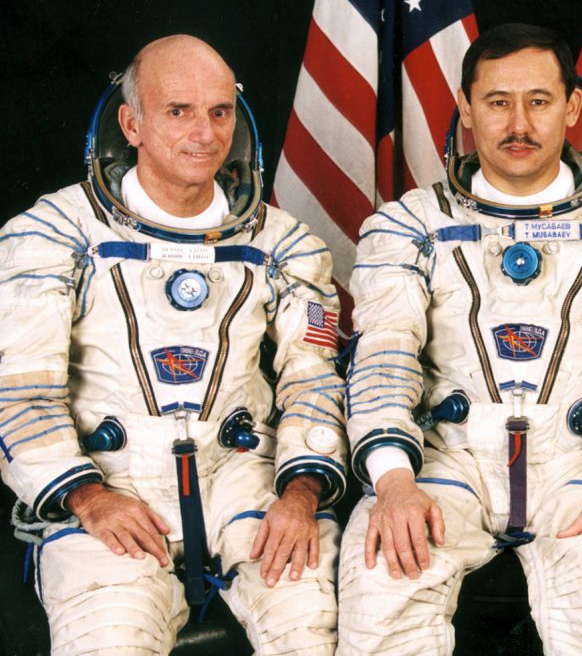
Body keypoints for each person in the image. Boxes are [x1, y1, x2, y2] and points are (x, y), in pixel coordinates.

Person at [335, 23, 582, 655]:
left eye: (539, 100)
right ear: (467, 110)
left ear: (572, 107)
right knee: (378, 586)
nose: (519, 123)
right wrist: (393, 481)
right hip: (445, 463)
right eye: (498, 102)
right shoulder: (407, 225)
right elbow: (382, 357)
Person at [0, 35, 346, 655]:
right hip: (113, 486)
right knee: (108, 642)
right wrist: (88, 496)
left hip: (246, 478)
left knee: (312, 632)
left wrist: (301, 493)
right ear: (131, 123)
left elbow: (313, 378)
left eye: (220, 111)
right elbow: (18, 393)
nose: (205, 133)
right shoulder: (52, 234)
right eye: (178, 111)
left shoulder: (285, 243)